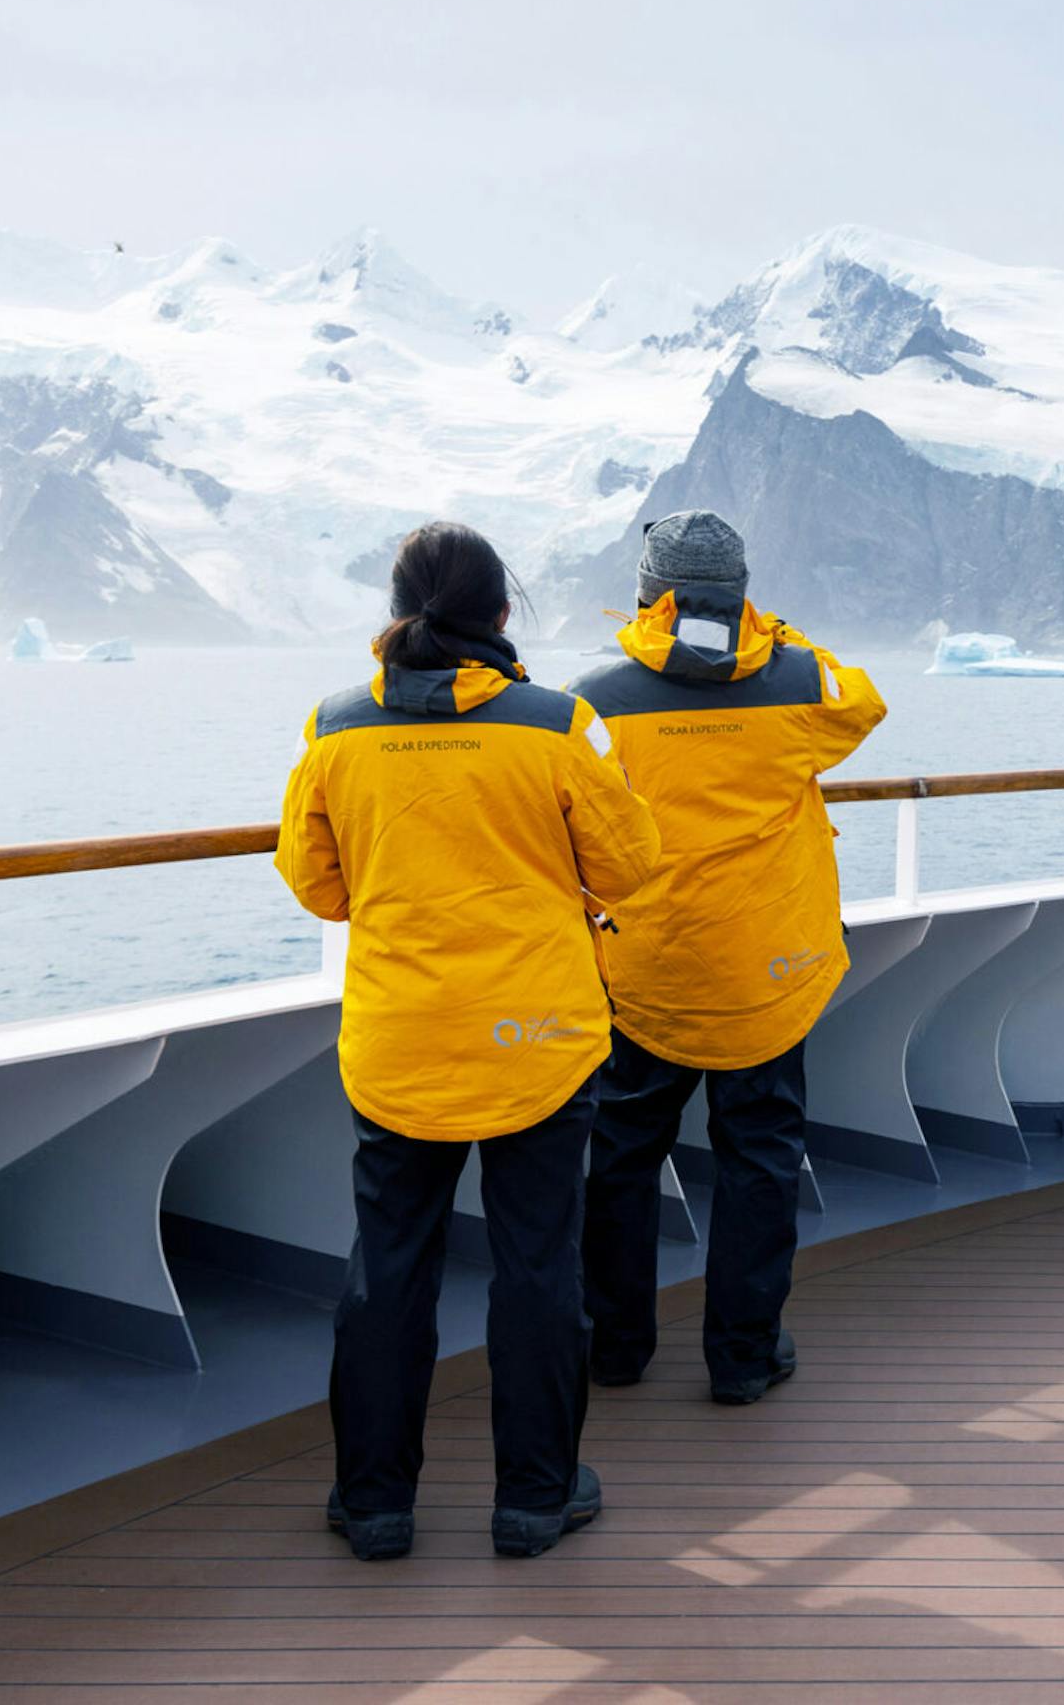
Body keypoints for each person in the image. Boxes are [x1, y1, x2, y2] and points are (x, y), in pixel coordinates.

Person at [275, 522, 660, 1562]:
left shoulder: (334, 727)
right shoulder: (560, 724)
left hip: (401, 1039)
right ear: (501, 615)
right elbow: (627, 870)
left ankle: (374, 1504)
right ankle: (535, 1499)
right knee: (538, 1266)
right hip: (535, 1036)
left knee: (389, 1266)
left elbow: (317, 886)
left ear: (398, 612)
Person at [573, 510, 887, 1405]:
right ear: (743, 597)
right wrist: (769, 630)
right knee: (760, 1161)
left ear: (648, 594)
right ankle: (743, 1359)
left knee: (622, 1158)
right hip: (764, 973)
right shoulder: (796, 684)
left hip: (647, 971)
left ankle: (616, 1347)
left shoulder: (595, 693)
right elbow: (861, 698)